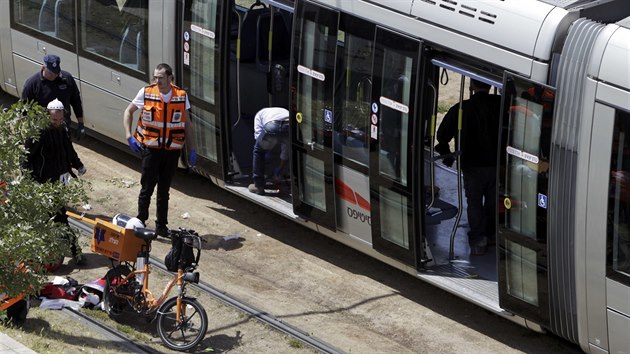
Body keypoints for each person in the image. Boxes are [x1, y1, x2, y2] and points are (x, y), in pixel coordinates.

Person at [123, 63, 196, 237]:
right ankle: (141, 220)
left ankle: (161, 226)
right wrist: (129, 136)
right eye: (155, 77)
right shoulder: (147, 92)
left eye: (161, 78)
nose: (157, 81)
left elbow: (187, 124)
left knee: (164, 190)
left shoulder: (181, 95)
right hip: (151, 149)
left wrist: (193, 149)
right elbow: (128, 111)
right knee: (146, 188)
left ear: (170, 78)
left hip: (171, 151)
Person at [435, 79, 502, 255]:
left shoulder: (461, 108)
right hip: (496, 165)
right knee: (493, 203)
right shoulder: (499, 105)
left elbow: (442, 135)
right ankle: (492, 235)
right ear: (489, 86)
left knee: (474, 203)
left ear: (471, 86)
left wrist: (447, 155)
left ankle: (478, 242)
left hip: (472, 166)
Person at [23, 98, 87, 264]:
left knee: (58, 217)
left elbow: (69, 150)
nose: (57, 122)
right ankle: (72, 252)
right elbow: (25, 158)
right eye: (54, 120)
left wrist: (78, 165)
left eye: (59, 119)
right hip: (42, 183)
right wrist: (30, 181)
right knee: (52, 218)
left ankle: (72, 251)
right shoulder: (38, 132)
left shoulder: (63, 128)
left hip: (59, 181)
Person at [21, 54, 86, 141]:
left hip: (62, 127)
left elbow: (76, 101)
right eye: (51, 73)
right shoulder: (32, 83)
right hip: (41, 130)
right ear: (43, 67)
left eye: (56, 73)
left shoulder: (66, 79)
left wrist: (81, 124)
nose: (54, 76)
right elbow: (25, 108)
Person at [248, 107, 290, 195]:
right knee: (294, 151)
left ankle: (258, 186)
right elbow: (285, 150)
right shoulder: (283, 111)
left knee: (258, 151)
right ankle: (287, 184)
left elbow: (259, 138)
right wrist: (280, 167)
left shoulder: (259, 115)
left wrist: (267, 152)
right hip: (289, 125)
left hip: (272, 125)